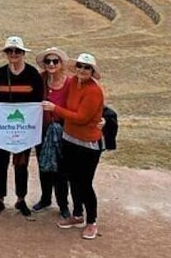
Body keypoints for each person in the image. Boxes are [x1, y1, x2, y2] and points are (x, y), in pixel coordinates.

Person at [42, 53, 105, 240]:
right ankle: (77, 215)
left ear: (92, 71)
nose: (82, 70)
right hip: (69, 138)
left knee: (85, 183)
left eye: (86, 67)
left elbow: (81, 117)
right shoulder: (73, 84)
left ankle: (91, 221)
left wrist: (55, 109)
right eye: (79, 66)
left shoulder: (94, 90)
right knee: (72, 178)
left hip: (88, 143)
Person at [0, 36, 44, 219]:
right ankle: (0, 198)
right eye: (10, 51)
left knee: (21, 165)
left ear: (22, 53)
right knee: (0, 164)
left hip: (24, 129)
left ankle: (21, 198)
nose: (13, 54)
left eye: (17, 51)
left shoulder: (33, 74)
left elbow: (38, 100)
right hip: (3, 128)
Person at [32, 47, 72, 219]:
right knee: (44, 165)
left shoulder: (69, 83)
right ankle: (45, 198)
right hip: (41, 129)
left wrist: (56, 109)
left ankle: (63, 203)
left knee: (61, 170)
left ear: (61, 64)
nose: (51, 64)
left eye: (55, 61)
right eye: (48, 61)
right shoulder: (40, 79)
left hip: (62, 131)